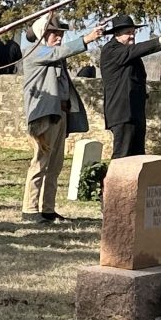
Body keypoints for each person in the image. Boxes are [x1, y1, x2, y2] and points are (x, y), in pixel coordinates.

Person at [21, 13, 104, 222]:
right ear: (42, 34)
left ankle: (47, 209)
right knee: (40, 163)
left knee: (55, 165)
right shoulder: (33, 52)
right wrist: (87, 39)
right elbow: (60, 51)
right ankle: (30, 210)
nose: (58, 37)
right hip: (44, 116)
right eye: (53, 33)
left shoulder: (55, 56)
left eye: (59, 33)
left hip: (59, 114)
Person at [99, 15, 161, 159]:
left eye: (133, 32)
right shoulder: (111, 50)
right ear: (117, 34)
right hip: (122, 112)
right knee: (122, 156)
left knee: (137, 157)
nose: (132, 36)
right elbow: (136, 50)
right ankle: (113, 182)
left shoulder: (130, 53)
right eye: (128, 33)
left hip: (136, 111)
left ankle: (134, 182)